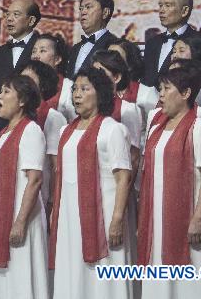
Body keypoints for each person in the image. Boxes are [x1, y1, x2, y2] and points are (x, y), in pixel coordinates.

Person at [49, 67, 133, 299]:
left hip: (102, 216)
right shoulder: (66, 130)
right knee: (72, 271)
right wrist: (55, 210)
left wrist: (116, 220)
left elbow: (123, 177)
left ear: (101, 94)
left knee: (104, 275)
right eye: (75, 88)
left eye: (84, 89)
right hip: (69, 217)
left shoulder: (113, 130)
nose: (77, 94)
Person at [137, 66, 201, 299]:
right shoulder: (156, 127)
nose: (160, 94)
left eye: (166, 89)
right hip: (157, 216)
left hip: (188, 216)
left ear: (185, 93)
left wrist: (197, 218)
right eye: (159, 89)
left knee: (190, 276)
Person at [0, 75, 48, 299]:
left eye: (6, 91)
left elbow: (34, 179)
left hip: (22, 217)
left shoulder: (31, 131)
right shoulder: (4, 133)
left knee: (21, 275)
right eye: (0, 91)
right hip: (0, 215)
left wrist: (19, 221)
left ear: (22, 101)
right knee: (2, 279)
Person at [18, 61, 68, 209]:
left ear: (43, 85)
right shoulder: (17, 114)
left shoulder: (54, 117)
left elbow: (55, 165)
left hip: (41, 193)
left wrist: (52, 200)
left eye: (29, 81)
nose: (23, 85)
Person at [143, 0, 201, 87]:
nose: (161, 10)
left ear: (184, 11)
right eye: (160, 5)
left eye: (168, 5)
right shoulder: (152, 43)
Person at [0, 0, 41, 94]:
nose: (9, 19)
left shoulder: (42, 49)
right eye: (7, 14)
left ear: (31, 21)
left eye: (16, 14)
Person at [68, 0, 119, 76]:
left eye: (88, 7)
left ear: (105, 12)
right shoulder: (75, 48)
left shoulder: (114, 46)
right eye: (81, 9)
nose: (83, 12)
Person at [108, 38, 159, 120]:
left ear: (130, 65)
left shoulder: (146, 93)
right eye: (107, 55)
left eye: (116, 56)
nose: (109, 61)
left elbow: (157, 124)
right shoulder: (99, 90)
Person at [30, 33, 76, 119]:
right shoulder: (25, 83)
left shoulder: (69, 87)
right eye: (34, 51)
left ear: (57, 59)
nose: (35, 56)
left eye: (42, 51)